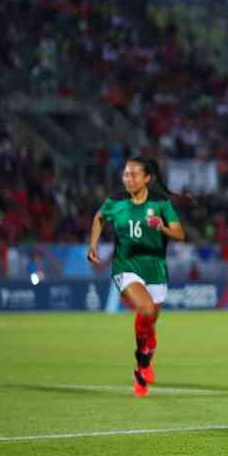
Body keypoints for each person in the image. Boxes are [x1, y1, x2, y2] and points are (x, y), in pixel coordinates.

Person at [87, 157, 186, 397]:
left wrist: (162, 226)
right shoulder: (116, 202)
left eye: (133, 175)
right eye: (125, 175)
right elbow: (99, 218)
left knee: (150, 321)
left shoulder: (161, 204)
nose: (128, 179)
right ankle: (141, 363)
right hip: (125, 266)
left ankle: (144, 360)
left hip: (155, 269)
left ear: (147, 178)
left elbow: (180, 234)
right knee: (145, 308)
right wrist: (93, 245)